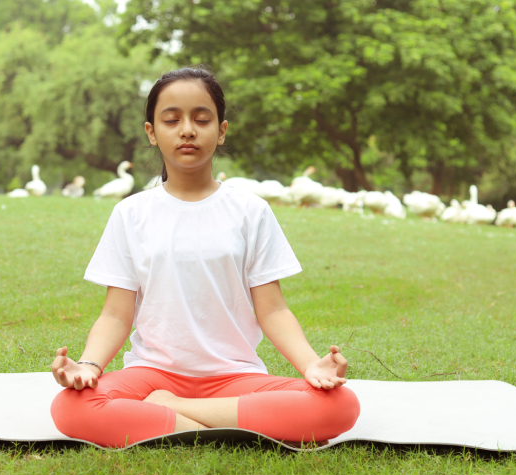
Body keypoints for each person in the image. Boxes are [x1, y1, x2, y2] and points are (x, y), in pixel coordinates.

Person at [50, 67, 360, 448]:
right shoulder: (131, 213)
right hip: (152, 375)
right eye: (171, 119)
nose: (187, 130)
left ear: (222, 130)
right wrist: (89, 366)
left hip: (234, 377)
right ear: (151, 132)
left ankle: (173, 413)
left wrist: (312, 365)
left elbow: (273, 310)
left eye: (201, 119)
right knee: (71, 407)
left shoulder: (251, 210)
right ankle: (229, 428)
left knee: (339, 405)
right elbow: (116, 314)